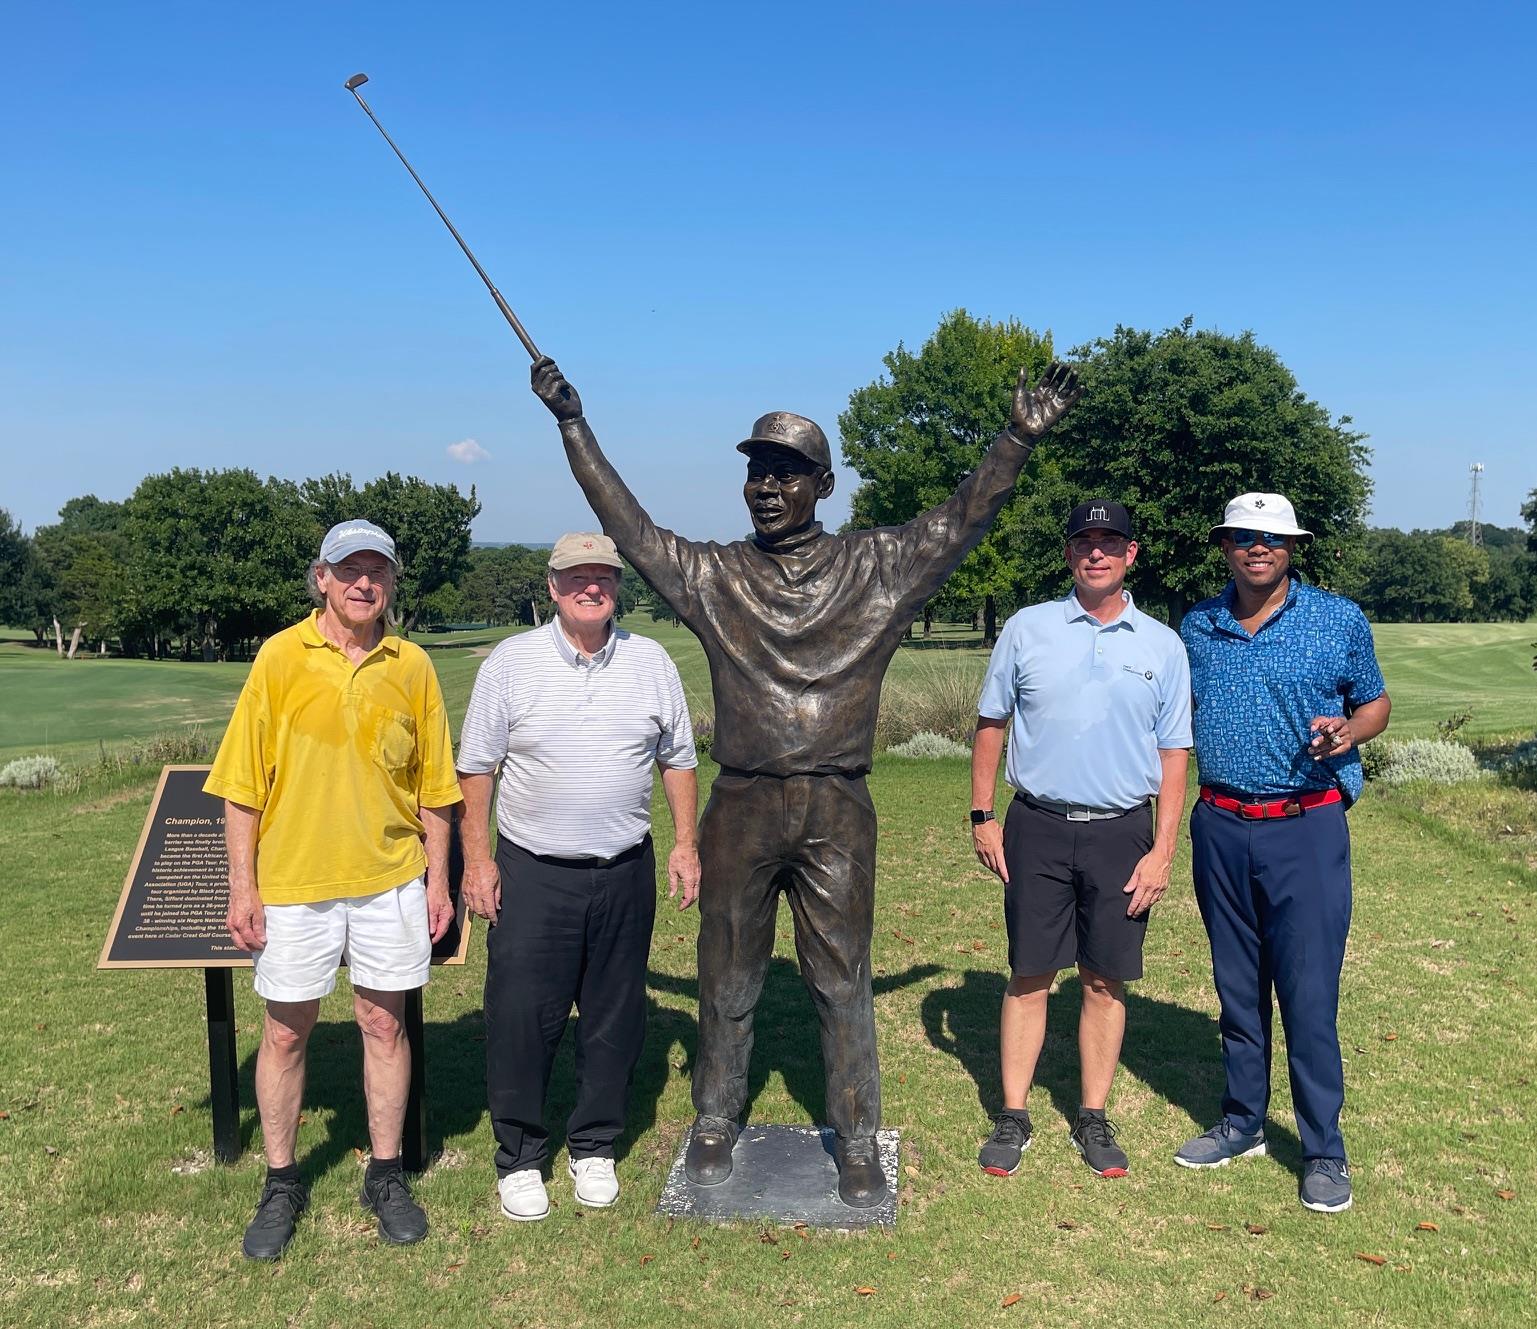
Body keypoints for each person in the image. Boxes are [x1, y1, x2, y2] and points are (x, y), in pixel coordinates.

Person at [528, 354, 1080, 1207]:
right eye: (756, 472)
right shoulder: (714, 575)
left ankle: (855, 1135)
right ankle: (715, 1118)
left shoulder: (880, 566)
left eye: (785, 473)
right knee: (726, 973)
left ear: (822, 485)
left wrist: (1014, 439)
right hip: (741, 803)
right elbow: (629, 528)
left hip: (835, 806)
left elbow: (963, 517)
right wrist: (573, 424)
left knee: (841, 977)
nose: (766, 487)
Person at [206, 519, 461, 1259]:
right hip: (294, 882)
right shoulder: (279, 657)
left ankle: (386, 1174)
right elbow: (242, 786)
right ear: (321, 577)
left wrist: (437, 880)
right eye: (349, 569)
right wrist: (243, 887)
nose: (364, 583)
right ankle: (282, 1180)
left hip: (389, 880)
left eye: (378, 571)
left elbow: (436, 789)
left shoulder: (412, 665)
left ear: (392, 582)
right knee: (286, 1031)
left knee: (384, 1025)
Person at [456, 532, 700, 1222]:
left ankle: (593, 1143)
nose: (590, 588)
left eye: (603, 577)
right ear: (553, 585)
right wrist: (478, 859)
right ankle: (520, 1154)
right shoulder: (512, 662)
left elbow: (678, 758)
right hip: (534, 872)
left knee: (613, 1015)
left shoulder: (651, 661)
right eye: (576, 577)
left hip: (624, 869)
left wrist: (686, 844)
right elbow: (476, 767)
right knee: (521, 1018)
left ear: (617, 586)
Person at [1176, 492, 1390, 1213]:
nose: (1257, 547)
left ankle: (1323, 1149)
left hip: (1306, 823)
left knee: (1307, 993)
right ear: (1225, 546)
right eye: (1243, 536)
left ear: (1291, 547)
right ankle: (1242, 1121)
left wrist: (1351, 731)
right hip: (1220, 823)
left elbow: (1374, 701)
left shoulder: (1337, 618)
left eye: (1271, 537)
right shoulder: (1198, 625)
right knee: (1237, 987)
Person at [970, 500, 1192, 1180]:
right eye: (1084, 541)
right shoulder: (1026, 628)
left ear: (1131, 554)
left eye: (1110, 542)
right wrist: (982, 814)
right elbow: (991, 721)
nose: (1097, 553)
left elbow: (1174, 754)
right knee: (1029, 973)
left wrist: (1162, 850)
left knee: (1103, 977)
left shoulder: (1162, 644)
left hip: (1121, 832)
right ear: (1068, 553)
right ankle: (1013, 1114)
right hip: (1036, 825)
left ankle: (1092, 1115)